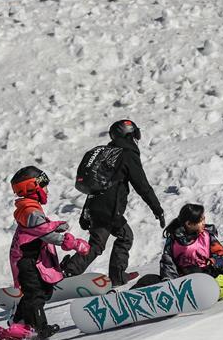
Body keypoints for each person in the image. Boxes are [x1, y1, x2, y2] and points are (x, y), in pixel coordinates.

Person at [61, 120, 165, 286]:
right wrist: (157, 209)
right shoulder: (127, 154)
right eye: (136, 134)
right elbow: (142, 185)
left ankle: (71, 272)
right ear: (130, 135)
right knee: (122, 238)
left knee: (99, 243)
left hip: (96, 206)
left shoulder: (108, 153)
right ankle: (113, 276)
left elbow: (95, 186)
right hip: (110, 208)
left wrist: (86, 212)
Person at [0, 166, 90, 340]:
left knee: (40, 292)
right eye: (44, 186)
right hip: (26, 261)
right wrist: (73, 243)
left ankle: (19, 324)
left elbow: (41, 228)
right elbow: (45, 233)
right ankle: (39, 328)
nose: (47, 190)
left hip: (30, 260)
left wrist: (56, 226)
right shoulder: (30, 211)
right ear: (33, 187)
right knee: (36, 294)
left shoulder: (30, 208)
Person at [134, 204, 223, 300]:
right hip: (182, 281)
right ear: (189, 224)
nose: (204, 222)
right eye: (201, 220)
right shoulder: (173, 240)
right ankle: (126, 300)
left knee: (194, 271)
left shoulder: (207, 237)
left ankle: (180, 296)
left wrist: (214, 261)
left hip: (211, 278)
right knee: (148, 279)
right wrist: (169, 283)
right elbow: (168, 263)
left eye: (204, 219)